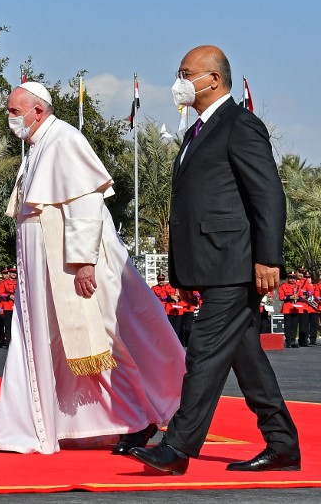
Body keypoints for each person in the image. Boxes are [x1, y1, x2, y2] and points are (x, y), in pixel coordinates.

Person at [131, 45, 300, 474]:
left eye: (186, 73)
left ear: (213, 80)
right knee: (246, 356)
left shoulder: (240, 125)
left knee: (204, 351)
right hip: (211, 264)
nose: (179, 81)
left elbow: (268, 195)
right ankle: (282, 444)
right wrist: (184, 270)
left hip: (236, 264)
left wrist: (268, 258)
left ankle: (177, 448)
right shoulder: (197, 131)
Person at [0, 82, 184, 455]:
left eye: (14, 111)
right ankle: (65, 425)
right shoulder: (37, 147)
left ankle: (137, 417)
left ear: (38, 111)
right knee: (56, 348)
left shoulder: (64, 139)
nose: (9, 118)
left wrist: (82, 264)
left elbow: (84, 207)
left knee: (100, 340)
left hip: (72, 263)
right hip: (42, 263)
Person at [0, 268, 17, 347]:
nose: (14, 274)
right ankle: (9, 342)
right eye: (12, 272)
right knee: (8, 325)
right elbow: (0, 294)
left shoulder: (19, 283)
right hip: (7, 306)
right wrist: (9, 296)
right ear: (9, 273)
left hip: (17, 307)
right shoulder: (4, 283)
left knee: (16, 325)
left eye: (15, 272)